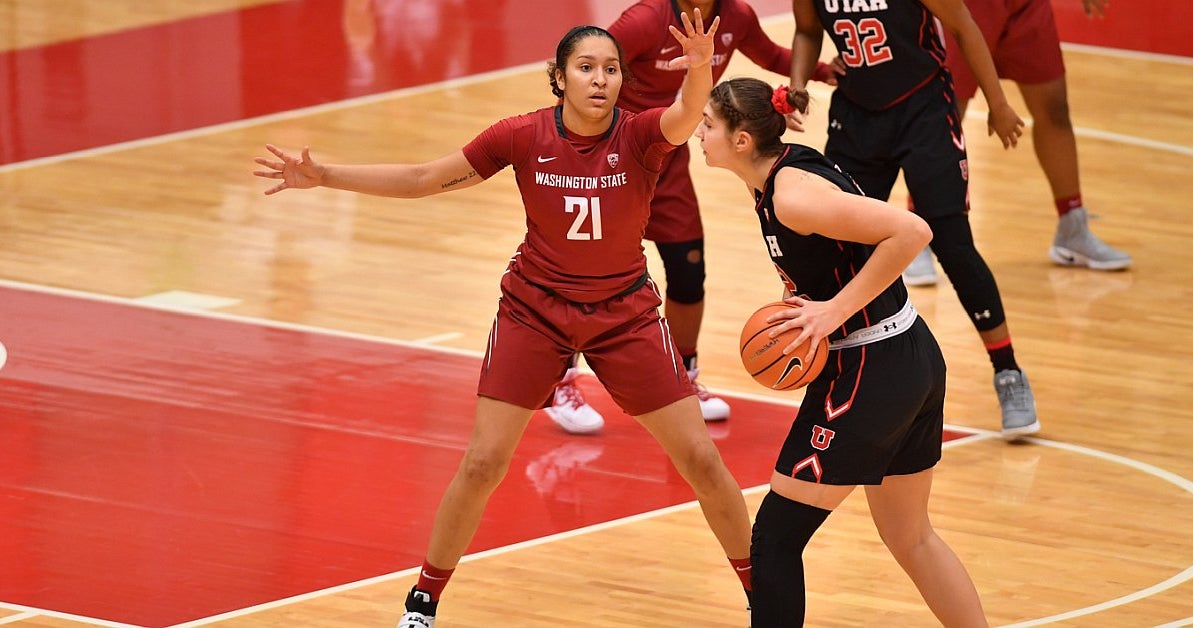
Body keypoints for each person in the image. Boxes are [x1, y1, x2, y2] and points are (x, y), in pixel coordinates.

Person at [254, 13, 756, 628]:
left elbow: (686, 111)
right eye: (586, 68)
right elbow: (424, 178)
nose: (600, 79)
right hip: (534, 311)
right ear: (559, 77)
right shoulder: (521, 136)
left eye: (611, 69)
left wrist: (700, 67)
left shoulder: (642, 136)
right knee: (483, 462)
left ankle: (764, 595)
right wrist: (325, 175)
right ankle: (422, 601)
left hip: (623, 313)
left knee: (701, 460)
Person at [697, 76, 989, 627]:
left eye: (708, 125)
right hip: (909, 357)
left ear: (741, 140)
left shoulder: (792, 195)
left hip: (868, 370)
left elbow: (911, 231)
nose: (699, 134)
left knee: (775, 540)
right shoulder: (784, 172)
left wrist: (833, 310)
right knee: (911, 536)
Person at [545, 0, 839, 435]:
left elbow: (771, 54)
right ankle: (561, 382)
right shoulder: (646, 19)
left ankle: (682, 378)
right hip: (613, 158)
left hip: (667, 162)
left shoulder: (736, 16)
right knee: (587, 273)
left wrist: (824, 72)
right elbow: (581, 65)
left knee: (688, 269)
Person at [788, 0, 1041, 440]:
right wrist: (797, 83)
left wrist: (997, 103)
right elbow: (807, 31)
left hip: (924, 109)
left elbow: (964, 25)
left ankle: (1008, 372)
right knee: (833, 243)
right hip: (856, 117)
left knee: (952, 244)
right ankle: (837, 371)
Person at [903, 0, 1130, 286]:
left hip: (1025, 6)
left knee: (1054, 107)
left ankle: (1072, 226)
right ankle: (918, 231)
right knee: (945, 116)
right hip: (965, 6)